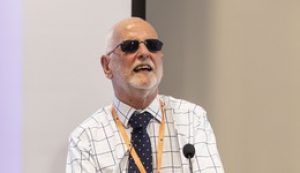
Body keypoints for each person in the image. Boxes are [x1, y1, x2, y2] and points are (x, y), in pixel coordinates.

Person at [66, 17, 224, 173]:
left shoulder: (192, 119)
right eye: (130, 46)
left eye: (152, 46)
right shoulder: (86, 139)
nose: (144, 53)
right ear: (107, 66)